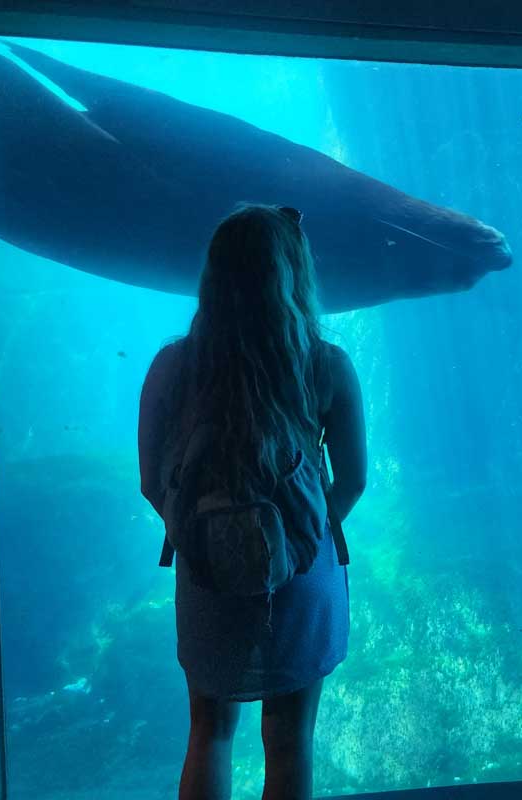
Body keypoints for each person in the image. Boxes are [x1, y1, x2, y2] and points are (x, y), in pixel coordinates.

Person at [138, 203, 367, 800]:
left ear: (213, 276)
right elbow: (352, 482)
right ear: (292, 275)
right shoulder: (327, 365)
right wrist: (299, 545)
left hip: (206, 571)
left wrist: (205, 538)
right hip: (303, 576)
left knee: (209, 733)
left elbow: (151, 482)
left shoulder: (172, 366)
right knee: (289, 743)